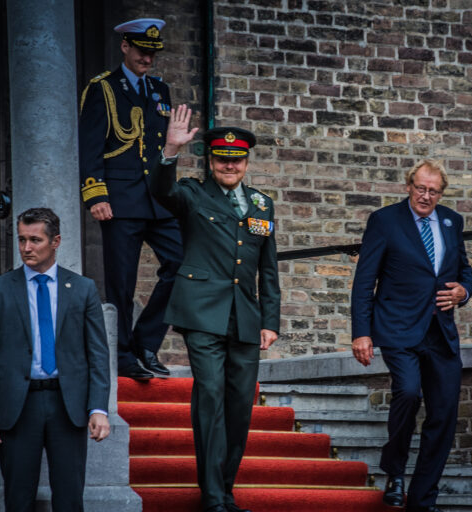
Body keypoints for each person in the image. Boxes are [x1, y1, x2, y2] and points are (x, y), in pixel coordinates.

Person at [150, 105, 280, 512]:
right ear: (210, 160)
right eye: (222, 160)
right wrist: (170, 150)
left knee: (240, 404)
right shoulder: (191, 193)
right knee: (209, 395)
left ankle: (225, 488)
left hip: (245, 316)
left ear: (245, 162)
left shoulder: (262, 204)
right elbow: (161, 191)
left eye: (236, 160)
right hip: (201, 312)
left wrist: (270, 321)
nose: (229, 166)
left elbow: (268, 267)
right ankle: (212, 496)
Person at [350, 159, 472, 512]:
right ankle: (394, 472)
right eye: (420, 188)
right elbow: (364, 281)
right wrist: (362, 333)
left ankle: (422, 498)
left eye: (433, 191)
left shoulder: (452, 221)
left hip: (441, 333)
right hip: (398, 328)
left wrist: (464, 292)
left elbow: (464, 269)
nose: (426, 195)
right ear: (409, 186)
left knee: (444, 412)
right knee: (407, 392)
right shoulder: (385, 221)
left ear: (441, 193)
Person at [0, 207, 111, 512]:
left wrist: (99, 408)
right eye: (21, 240)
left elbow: (98, 353)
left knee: (70, 499)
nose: (26, 248)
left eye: (35, 240)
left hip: (68, 404)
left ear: (56, 241)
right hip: (17, 408)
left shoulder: (83, 288)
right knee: (18, 499)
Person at [79, 17, 182, 380]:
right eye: (142, 52)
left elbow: (160, 149)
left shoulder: (159, 91)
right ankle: (123, 356)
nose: (147, 60)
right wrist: (95, 195)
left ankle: (146, 342)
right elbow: (91, 146)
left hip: (157, 200)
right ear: (125, 47)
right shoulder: (103, 88)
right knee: (121, 282)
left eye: (152, 54)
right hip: (119, 199)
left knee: (184, 264)